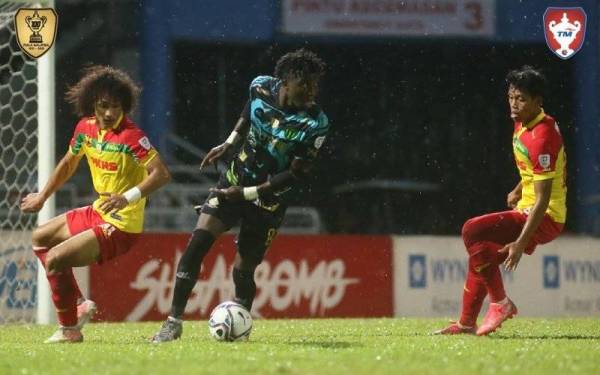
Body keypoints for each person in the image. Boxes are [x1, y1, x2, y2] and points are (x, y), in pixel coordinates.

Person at [151, 48, 329, 343]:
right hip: (233, 180)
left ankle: (240, 327)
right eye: (305, 84)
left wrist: (246, 194)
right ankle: (173, 322)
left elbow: (297, 173)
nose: (311, 91)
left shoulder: (315, 123)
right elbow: (250, 108)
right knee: (197, 244)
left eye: (315, 85)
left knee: (244, 269)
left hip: (269, 199)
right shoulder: (260, 85)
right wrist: (230, 141)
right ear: (285, 80)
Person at [20, 65, 171, 343]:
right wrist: (42, 197)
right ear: (93, 104)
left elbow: (162, 174)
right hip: (99, 210)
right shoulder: (85, 129)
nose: (110, 113)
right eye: (104, 106)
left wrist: (128, 197)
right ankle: (78, 303)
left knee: (55, 259)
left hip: (121, 223)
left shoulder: (131, 136)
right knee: (40, 238)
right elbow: (68, 163)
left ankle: (69, 330)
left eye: (116, 107)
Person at [434, 66, 566, 336]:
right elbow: (539, 172)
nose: (514, 105)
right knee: (481, 258)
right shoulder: (523, 122)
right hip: (529, 206)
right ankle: (466, 323)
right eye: (511, 97)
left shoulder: (543, 136)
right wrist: (519, 187)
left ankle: (501, 303)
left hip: (545, 215)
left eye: (521, 99)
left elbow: (542, 199)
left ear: (538, 101)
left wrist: (519, 243)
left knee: (473, 229)